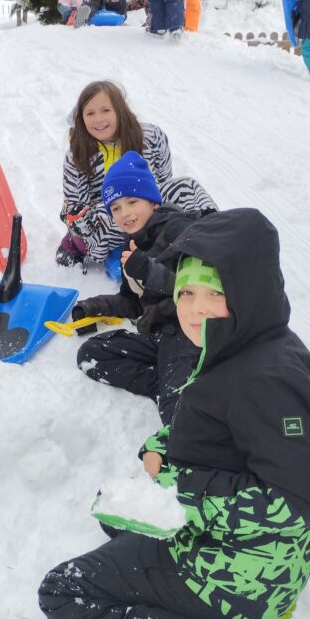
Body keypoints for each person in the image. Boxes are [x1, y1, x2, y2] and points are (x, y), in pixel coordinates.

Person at [39, 208, 310, 619]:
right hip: (250, 557)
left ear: (247, 292)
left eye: (212, 295)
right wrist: (162, 453)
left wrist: (178, 489)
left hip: (239, 571)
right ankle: (226, 617)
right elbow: (215, 434)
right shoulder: (251, 345)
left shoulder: (265, 381)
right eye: (187, 293)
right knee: (114, 519)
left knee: (63, 592)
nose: (195, 310)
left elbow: (291, 508)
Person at [72, 151, 211, 424]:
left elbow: (199, 288)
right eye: (115, 208)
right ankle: (169, 386)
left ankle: (181, 402)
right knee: (91, 355)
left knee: (177, 414)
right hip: (160, 337)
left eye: (132, 202)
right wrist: (94, 306)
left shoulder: (178, 229)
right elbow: (133, 300)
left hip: (189, 331)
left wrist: (148, 270)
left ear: (153, 201)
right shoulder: (131, 244)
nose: (124, 214)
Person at [56, 81, 215, 268]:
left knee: (186, 187)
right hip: (110, 217)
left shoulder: (150, 137)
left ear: (120, 110)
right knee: (101, 217)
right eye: (90, 113)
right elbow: (78, 206)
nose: (98, 119)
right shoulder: (79, 155)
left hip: (146, 211)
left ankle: (213, 237)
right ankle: (77, 245)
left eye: (105, 110)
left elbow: (164, 181)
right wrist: (80, 222)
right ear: (81, 119)